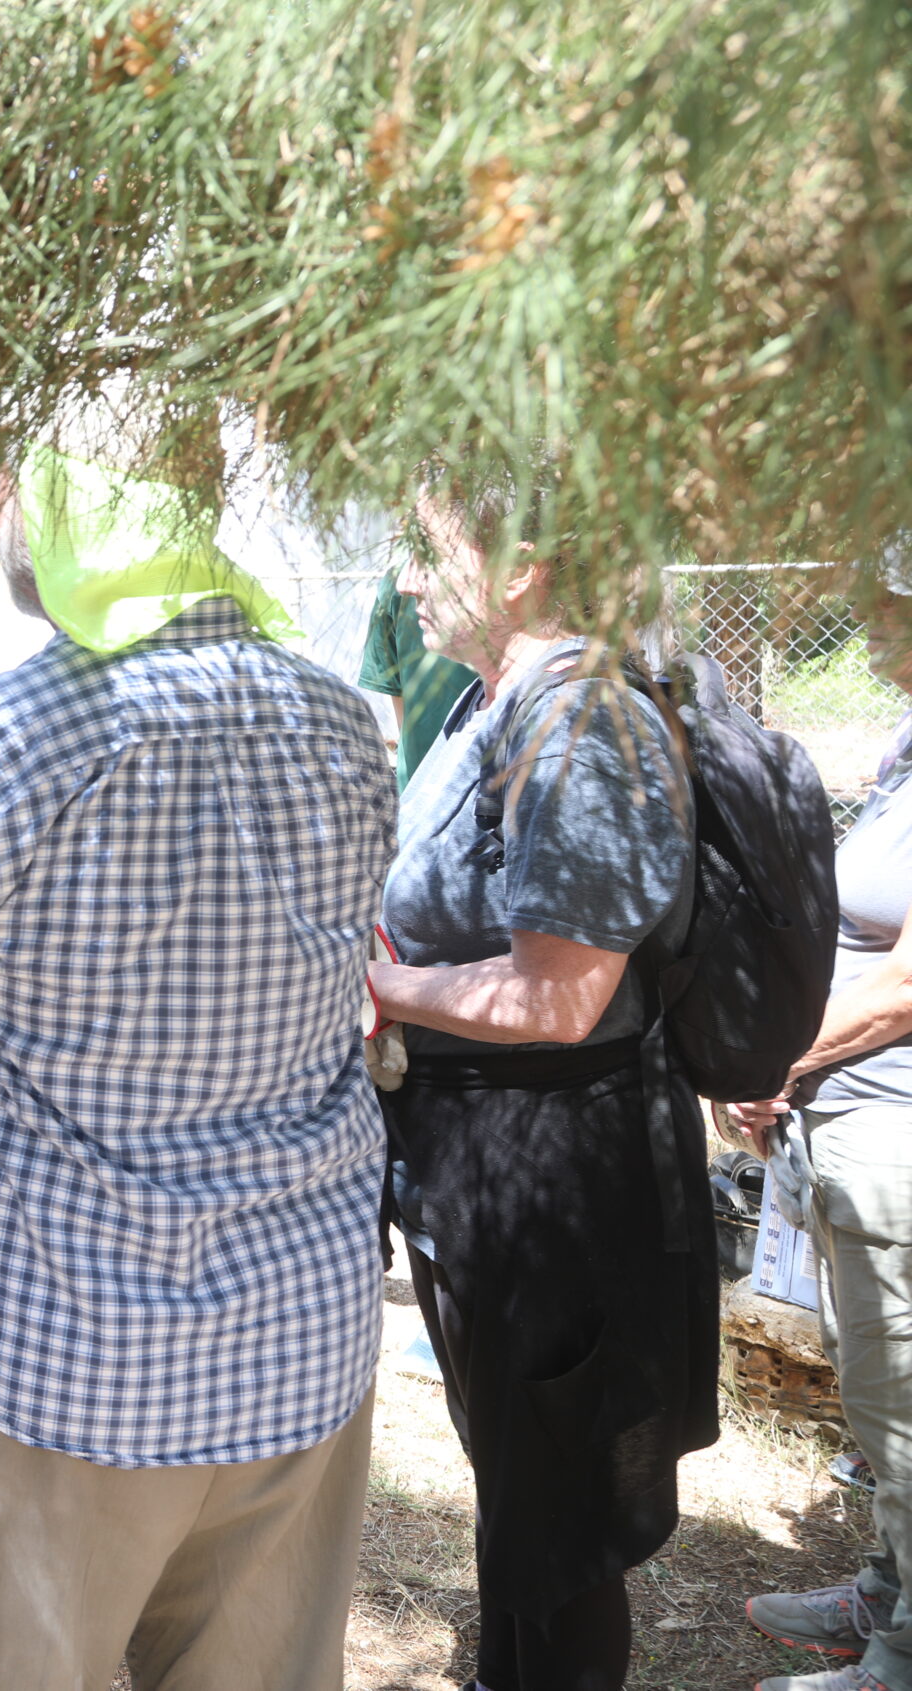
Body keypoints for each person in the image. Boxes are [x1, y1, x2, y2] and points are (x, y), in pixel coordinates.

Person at [0, 442, 395, 1691]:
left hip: (56, 1358)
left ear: (59, 509)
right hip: (298, 1338)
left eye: (11, 482)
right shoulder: (344, 726)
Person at [368, 479, 713, 1691]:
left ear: (519, 564)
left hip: (561, 1180)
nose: (404, 576)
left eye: (424, 546)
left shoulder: (580, 727)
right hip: (485, 1168)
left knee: (562, 1529)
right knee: (516, 1484)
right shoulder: (498, 702)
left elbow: (558, 998)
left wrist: (375, 986)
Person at [733, 583, 912, 1691]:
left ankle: (899, 1659)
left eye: (895, 599)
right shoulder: (904, 746)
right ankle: (886, 1594)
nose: (871, 615)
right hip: (851, 1119)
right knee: (876, 1397)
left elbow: (905, 984)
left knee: (905, 1409)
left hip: (896, 1129)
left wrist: (775, 1058)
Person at [361, 572, 481, 786]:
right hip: (477, 773)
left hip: (424, 777)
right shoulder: (397, 581)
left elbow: (395, 687)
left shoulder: (397, 578)